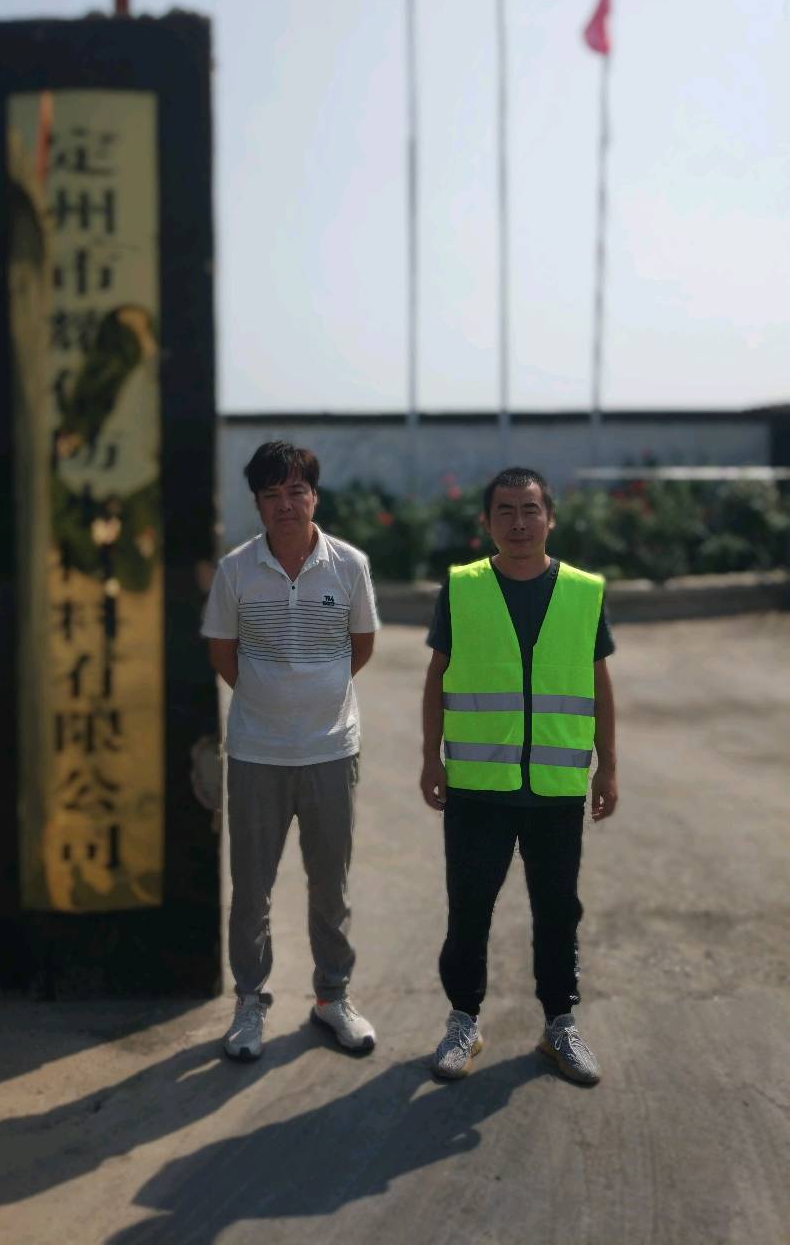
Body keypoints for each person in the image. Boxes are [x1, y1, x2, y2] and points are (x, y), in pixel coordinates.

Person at [420, 466, 618, 1086]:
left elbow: (599, 684)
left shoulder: (583, 592)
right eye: (504, 510)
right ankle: (463, 1021)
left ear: (549, 518)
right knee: (469, 908)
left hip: (556, 788)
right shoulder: (462, 588)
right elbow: (437, 677)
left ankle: (559, 1025)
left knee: (558, 911)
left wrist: (608, 767)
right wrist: (430, 757)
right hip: (478, 786)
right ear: (486, 522)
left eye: (530, 509)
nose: (519, 522)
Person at [202, 441, 380, 1061]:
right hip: (257, 752)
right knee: (251, 890)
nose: (285, 504)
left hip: (332, 750)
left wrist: (316, 695)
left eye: (295, 491)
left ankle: (333, 997)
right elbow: (222, 651)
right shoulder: (236, 570)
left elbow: (361, 643)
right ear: (257, 503)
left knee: (331, 886)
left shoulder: (349, 566)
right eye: (271, 494)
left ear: (314, 497)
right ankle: (250, 1003)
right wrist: (271, 700)